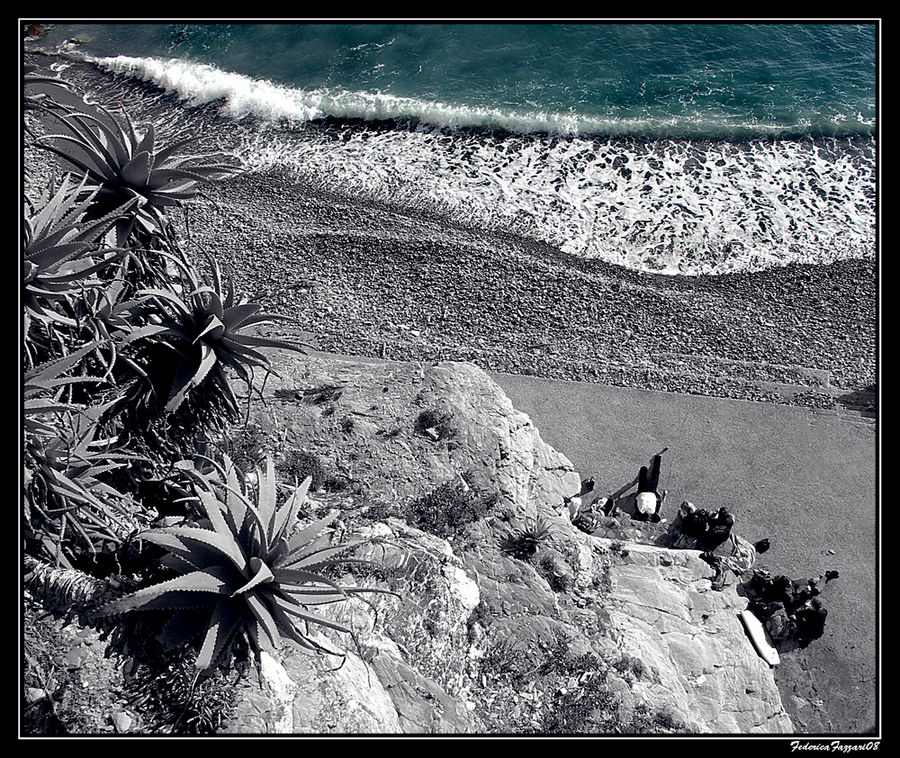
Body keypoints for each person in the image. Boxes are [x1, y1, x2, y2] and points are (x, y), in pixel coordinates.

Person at [701, 532, 771, 590]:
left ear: (757, 543)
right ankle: (720, 566)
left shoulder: (747, 545)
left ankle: (718, 561)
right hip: (738, 567)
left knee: (726, 562)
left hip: (735, 562)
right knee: (729, 564)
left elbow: (733, 536)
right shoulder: (753, 560)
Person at [633, 453, 667, 523]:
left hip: (647, 491)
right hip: (647, 491)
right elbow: (636, 501)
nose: (649, 517)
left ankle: (653, 461)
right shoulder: (646, 511)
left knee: (651, 473)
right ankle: (655, 459)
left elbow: (636, 502)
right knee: (653, 474)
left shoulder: (644, 511)